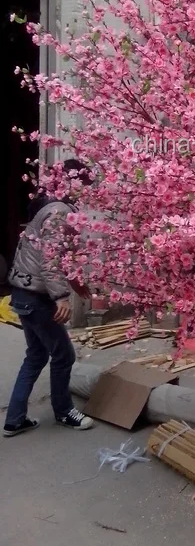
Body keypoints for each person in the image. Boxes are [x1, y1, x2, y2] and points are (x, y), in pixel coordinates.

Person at [3, 159, 95, 437]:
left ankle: (15, 419)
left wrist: (77, 284)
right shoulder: (58, 212)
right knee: (64, 355)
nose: (85, 193)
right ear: (71, 183)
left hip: (22, 293)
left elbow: (58, 256)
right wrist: (62, 297)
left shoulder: (49, 207)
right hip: (37, 297)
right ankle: (64, 411)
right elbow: (51, 259)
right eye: (83, 186)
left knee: (36, 355)